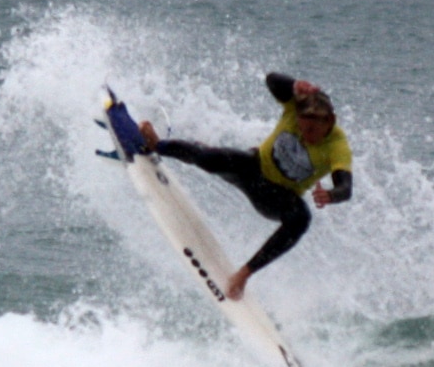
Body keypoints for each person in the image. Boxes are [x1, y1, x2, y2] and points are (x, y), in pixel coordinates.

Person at [139, 73, 352, 300]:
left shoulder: (338, 147)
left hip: (275, 197)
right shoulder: (293, 107)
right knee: (208, 158)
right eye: (302, 128)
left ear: (330, 120)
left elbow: (346, 187)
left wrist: (331, 195)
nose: (305, 136)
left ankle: (243, 275)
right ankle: (157, 145)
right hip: (253, 166)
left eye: (311, 131)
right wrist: (294, 85)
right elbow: (271, 79)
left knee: (301, 218)